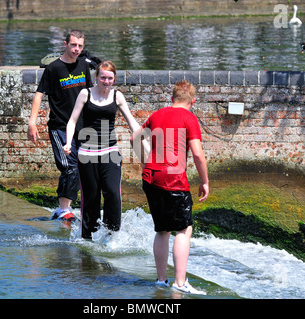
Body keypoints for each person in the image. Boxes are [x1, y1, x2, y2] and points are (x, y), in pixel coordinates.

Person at [131, 80, 209, 294]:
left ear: (172, 98)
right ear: (192, 101)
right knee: (183, 229)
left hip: (151, 178)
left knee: (162, 230)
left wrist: (146, 162)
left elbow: (134, 138)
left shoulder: (157, 115)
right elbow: (198, 155)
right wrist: (204, 181)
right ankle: (180, 283)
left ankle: (161, 280)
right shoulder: (189, 118)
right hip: (173, 179)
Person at [63, 61, 142, 240]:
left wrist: (143, 141)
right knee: (90, 199)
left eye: (110, 78)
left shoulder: (117, 96)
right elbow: (72, 121)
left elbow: (131, 122)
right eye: (103, 77)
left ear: (114, 79)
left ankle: (111, 235)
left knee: (113, 194)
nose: (106, 81)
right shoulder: (85, 93)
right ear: (96, 77)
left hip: (110, 152)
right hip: (87, 154)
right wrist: (68, 143)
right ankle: (87, 238)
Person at [27, 30, 93, 221]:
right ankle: (64, 209)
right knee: (69, 166)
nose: (77, 49)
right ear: (65, 44)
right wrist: (32, 122)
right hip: (59, 126)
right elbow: (39, 95)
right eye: (73, 45)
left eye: (80, 46)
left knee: (83, 166)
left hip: (82, 126)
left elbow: (89, 93)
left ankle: (69, 207)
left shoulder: (83, 65)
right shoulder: (53, 68)